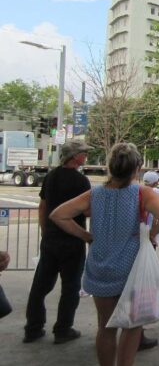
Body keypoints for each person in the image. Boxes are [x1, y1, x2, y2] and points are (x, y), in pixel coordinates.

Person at [50, 142, 159, 366]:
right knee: (131, 327)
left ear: (110, 167)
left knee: (105, 328)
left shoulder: (95, 194)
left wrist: (85, 235)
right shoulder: (142, 194)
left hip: (100, 267)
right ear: (137, 168)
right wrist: (150, 234)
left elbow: (58, 214)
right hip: (132, 270)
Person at [23, 140, 92, 344]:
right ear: (75, 156)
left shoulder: (51, 176)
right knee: (70, 286)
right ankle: (63, 329)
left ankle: (33, 328)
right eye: (83, 153)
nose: (85, 157)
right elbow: (86, 210)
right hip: (73, 238)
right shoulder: (81, 181)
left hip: (51, 239)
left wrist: (45, 230)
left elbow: (43, 206)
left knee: (40, 285)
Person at [137, 171, 159, 351]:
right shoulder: (155, 194)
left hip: (133, 239)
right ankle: (137, 333)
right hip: (147, 237)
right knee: (141, 284)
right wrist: (153, 233)